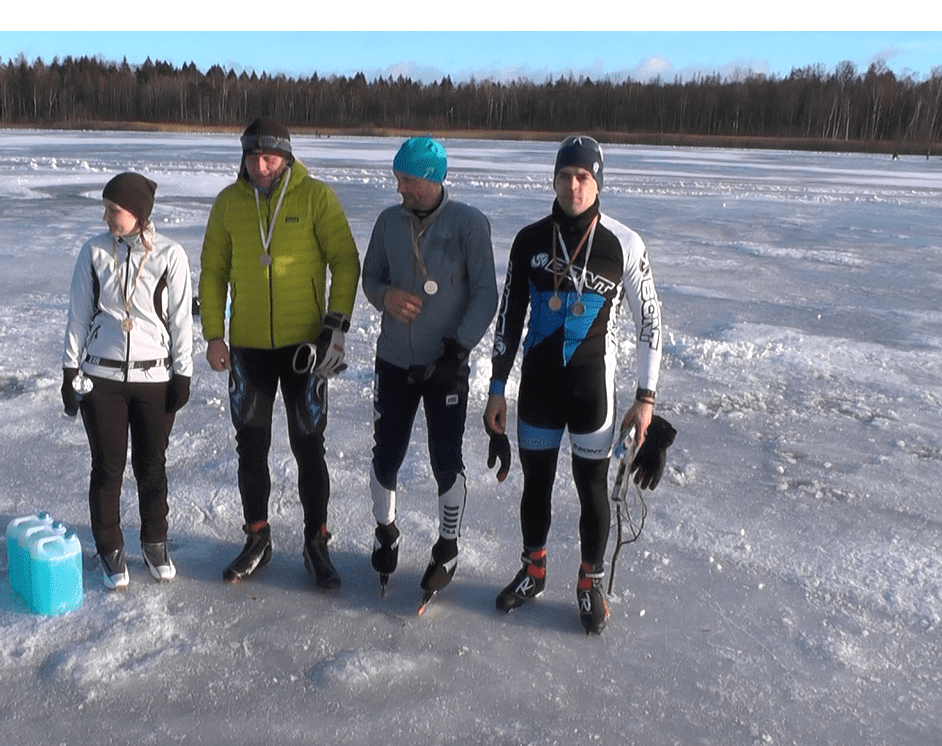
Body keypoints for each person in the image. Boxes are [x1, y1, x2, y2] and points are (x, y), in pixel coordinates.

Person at [484, 136, 662, 635]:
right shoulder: (529, 240)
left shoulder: (623, 243)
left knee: (592, 491)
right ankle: (534, 570)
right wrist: (497, 387)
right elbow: (509, 315)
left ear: (598, 181)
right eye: (566, 176)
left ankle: (589, 583)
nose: (574, 185)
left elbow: (650, 323)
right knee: (535, 486)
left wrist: (645, 399)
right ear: (554, 179)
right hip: (538, 388)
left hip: (593, 395)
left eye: (584, 176)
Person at [199, 118, 360, 589]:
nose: (261, 166)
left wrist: (336, 325)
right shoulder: (229, 204)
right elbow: (212, 271)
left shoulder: (316, 197)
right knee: (250, 447)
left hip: (304, 347)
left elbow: (345, 260)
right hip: (248, 347)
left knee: (309, 446)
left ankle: (316, 542)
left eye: (270, 158)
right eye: (253, 157)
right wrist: (214, 334)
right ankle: (257, 538)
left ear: (287, 158)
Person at [360, 137, 498, 603]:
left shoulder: (469, 224)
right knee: (387, 455)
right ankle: (386, 533)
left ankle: (447, 545)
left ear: (434, 179)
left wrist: (457, 351)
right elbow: (371, 278)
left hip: (447, 365)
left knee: (445, 458)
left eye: (408, 181)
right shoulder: (387, 222)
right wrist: (386, 298)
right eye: (398, 179)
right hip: (395, 360)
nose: (400, 189)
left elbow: (486, 295)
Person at [62, 172, 194, 590]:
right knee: (107, 467)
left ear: (136, 213)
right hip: (101, 377)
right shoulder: (94, 252)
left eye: (112, 209)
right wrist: (70, 370)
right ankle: (110, 547)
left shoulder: (171, 255)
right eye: (106, 208)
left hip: (154, 377)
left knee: (152, 466)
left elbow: (180, 321)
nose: (105, 216)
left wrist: (183, 372)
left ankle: (155, 541)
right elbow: (79, 314)